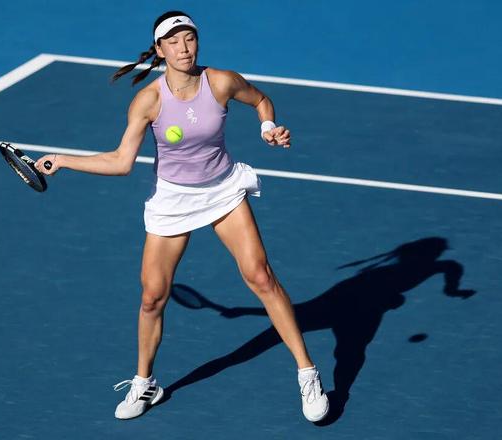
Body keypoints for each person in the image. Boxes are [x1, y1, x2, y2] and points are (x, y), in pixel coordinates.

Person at [34, 10, 329, 423]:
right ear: (160, 50)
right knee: (152, 297)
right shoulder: (149, 100)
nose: (184, 48)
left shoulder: (221, 82)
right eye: (173, 42)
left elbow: (261, 101)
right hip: (172, 199)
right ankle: (145, 382)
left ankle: (307, 373)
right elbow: (121, 162)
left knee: (261, 276)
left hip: (223, 189)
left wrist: (268, 128)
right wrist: (64, 160)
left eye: (189, 39)